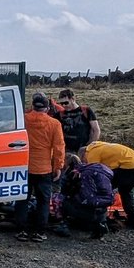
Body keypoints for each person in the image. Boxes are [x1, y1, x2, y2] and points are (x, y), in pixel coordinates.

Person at [16, 92, 65, 242]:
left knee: (22, 199)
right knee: (43, 201)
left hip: (24, 166)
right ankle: (40, 232)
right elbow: (58, 147)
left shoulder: (23, 120)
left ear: (32, 106)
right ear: (47, 108)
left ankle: (21, 230)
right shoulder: (54, 124)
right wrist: (58, 166)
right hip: (44, 168)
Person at [80, 140, 134, 230]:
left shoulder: (90, 153)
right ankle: (133, 220)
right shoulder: (101, 147)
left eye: (83, 160)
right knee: (125, 190)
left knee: (104, 189)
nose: (84, 163)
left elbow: (93, 170)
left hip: (132, 167)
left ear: (84, 154)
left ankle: (98, 217)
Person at [60, 153, 116, 238]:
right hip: (104, 208)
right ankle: (100, 223)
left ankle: (66, 225)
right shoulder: (96, 169)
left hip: (91, 210)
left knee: (65, 201)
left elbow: (87, 197)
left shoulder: (81, 175)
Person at [50, 87, 101, 153]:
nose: (64, 105)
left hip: (83, 149)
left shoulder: (86, 111)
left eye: (66, 103)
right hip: (66, 150)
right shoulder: (59, 115)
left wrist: (89, 146)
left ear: (73, 99)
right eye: (61, 104)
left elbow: (96, 130)